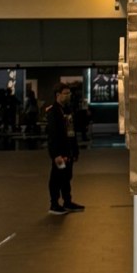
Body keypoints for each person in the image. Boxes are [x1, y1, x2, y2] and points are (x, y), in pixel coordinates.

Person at [45, 83, 85, 215]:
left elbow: (71, 132)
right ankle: (54, 204)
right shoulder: (53, 112)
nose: (69, 95)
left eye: (69, 93)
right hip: (60, 151)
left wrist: (75, 150)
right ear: (58, 95)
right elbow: (53, 135)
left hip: (68, 150)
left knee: (67, 176)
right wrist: (55, 154)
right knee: (57, 177)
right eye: (66, 93)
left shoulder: (67, 110)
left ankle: (67, 201)